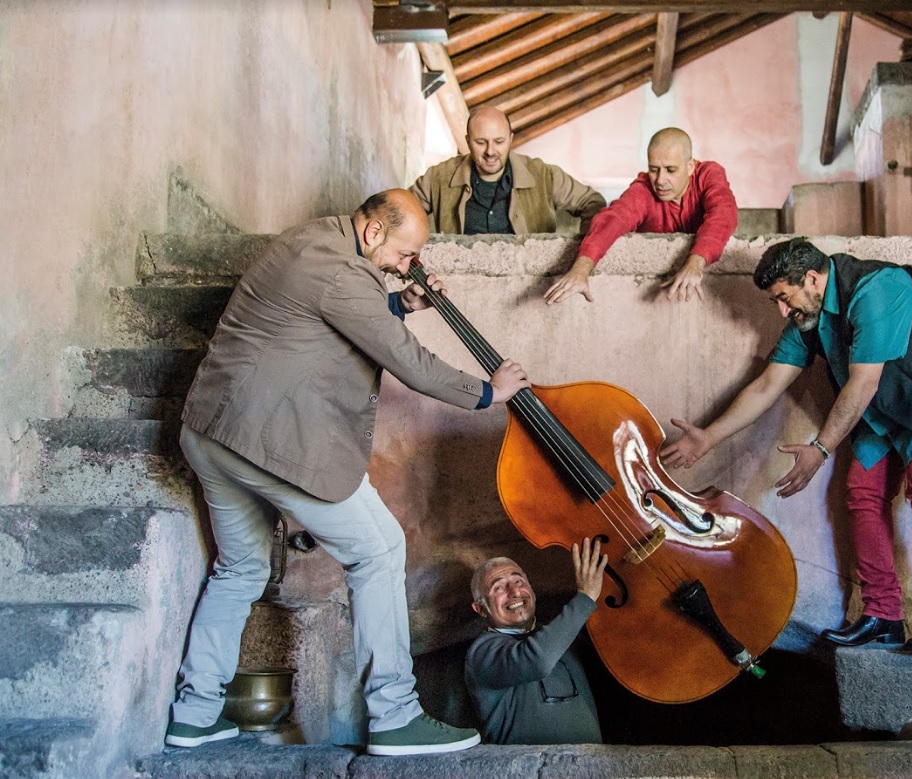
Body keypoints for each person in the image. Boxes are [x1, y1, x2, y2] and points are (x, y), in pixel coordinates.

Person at [164, 189, 531, 755]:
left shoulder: (315, 242)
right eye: (407, 253)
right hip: (267, 441)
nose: (410, 265)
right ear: (375, 232)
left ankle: (194, 713)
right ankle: (395, 715)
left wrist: (401, 302)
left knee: (239, 569)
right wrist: (488, 391)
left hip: (212, 433)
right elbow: (407, 361)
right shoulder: (346, 270)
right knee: (380, 549)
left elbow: (331, 315)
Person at [661, 238, 912, 657]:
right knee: (862, 492)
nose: (782, 311)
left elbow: (863, 382)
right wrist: (708, 436)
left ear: (812, 279)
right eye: (776, 302)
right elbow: (768, 384)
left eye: (784, 298)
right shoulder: (810, 318)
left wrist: (820, 449)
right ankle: (884, 616)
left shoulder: (876, 288)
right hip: (886, 404)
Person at [544, 127, 738, 305]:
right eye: (654, 169)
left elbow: (723, 214)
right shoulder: (644, 188)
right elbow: (614, 219)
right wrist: (581, 269)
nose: (660, 180)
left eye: (671, 170)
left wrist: (696, 262)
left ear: (690, 166)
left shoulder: (709, 174)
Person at [465, 538, 607, 745]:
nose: (514, 592)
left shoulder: (562, 634)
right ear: (481, 609)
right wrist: (585, 598)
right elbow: (536, 660)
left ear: (531, 590)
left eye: (519, 581)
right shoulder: (482, 653)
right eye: (498, 588)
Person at [410, 105, 606, 236]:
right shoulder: (438, 177)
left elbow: (592, 201)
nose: (490, 151)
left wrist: (581, 249)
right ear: (468, 140)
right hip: (460, 286)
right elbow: (400, 212)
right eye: (480, 142)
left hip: (528, 287)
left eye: (499, 142)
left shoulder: (545, 175)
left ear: (511, 139)